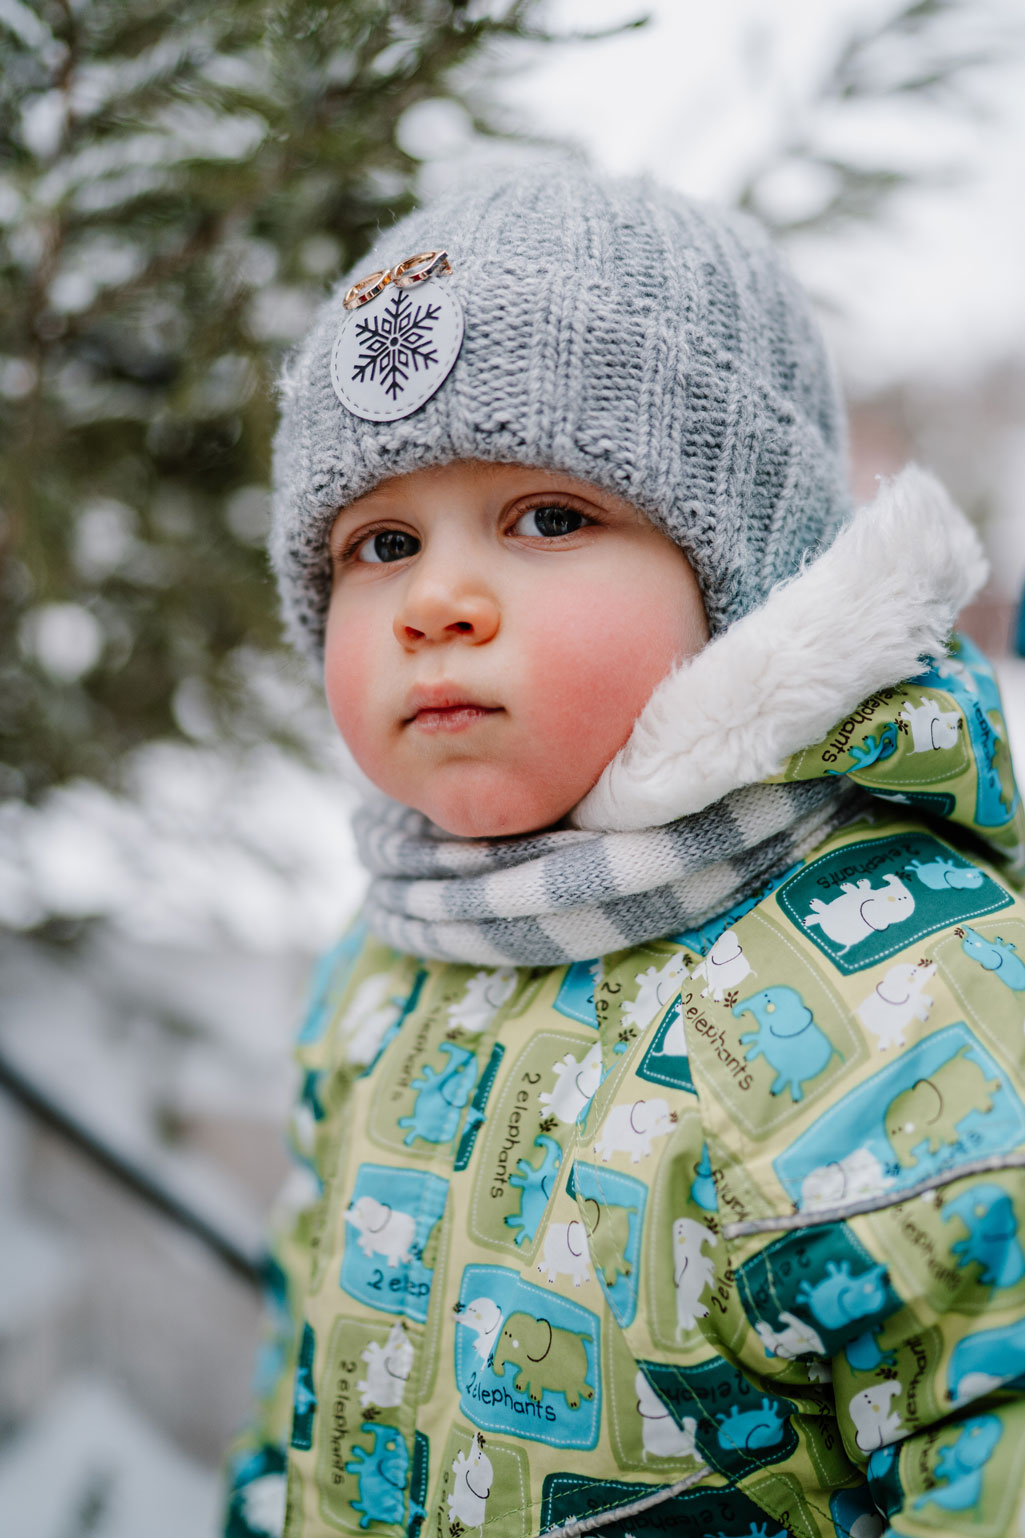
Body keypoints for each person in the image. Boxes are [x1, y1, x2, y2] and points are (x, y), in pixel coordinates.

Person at [223, 167, 1025, 1538]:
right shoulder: (387, 961)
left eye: (548, 517)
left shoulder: (910, 987)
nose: (436, 600)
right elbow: (305, 1343)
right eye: (382, 542)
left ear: (741, 576)